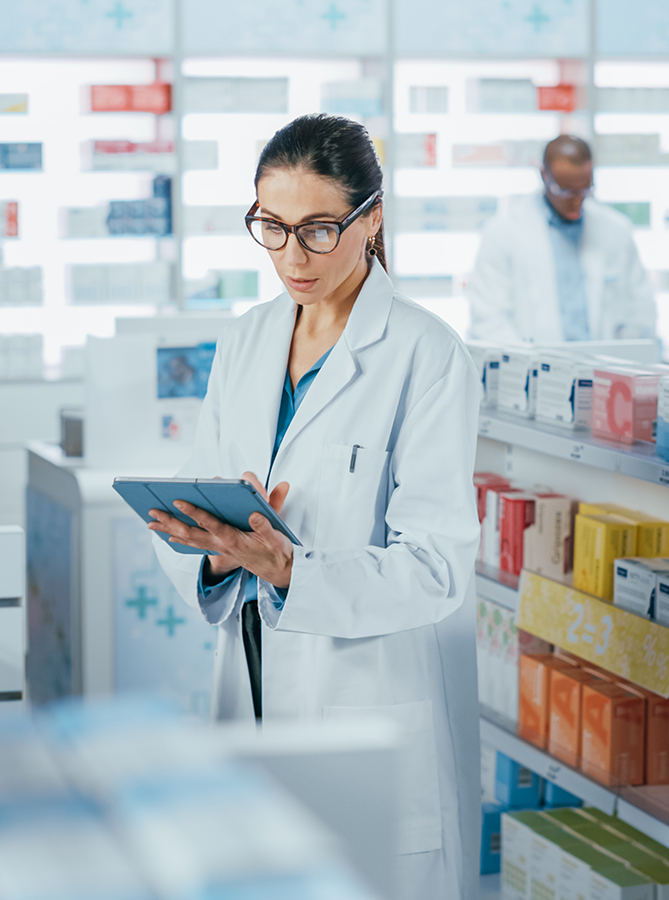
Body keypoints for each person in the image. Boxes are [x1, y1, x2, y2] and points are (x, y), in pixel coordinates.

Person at [148, 114, 482, 900]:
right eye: (271, 226)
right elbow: (200, 497)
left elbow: (435, 567)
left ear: (371, 220)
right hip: (258, 671)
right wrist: (214, 551)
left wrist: (295, 568)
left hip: (366, 693)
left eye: (319, 229)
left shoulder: (425, 354)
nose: (292, 256)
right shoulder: (245, 340)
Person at [468, 134, 656, 344]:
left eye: (584, 189)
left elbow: (640, 310)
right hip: (533, 368)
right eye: (565, 190)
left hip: (605, 369)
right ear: (543, 175)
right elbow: (488, 317)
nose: (576, 201)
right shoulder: (502, 232)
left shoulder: (616, 230)